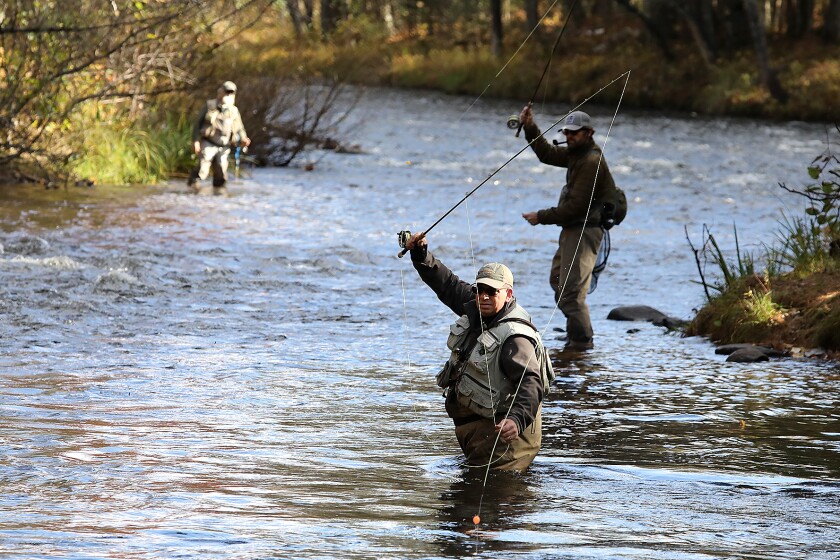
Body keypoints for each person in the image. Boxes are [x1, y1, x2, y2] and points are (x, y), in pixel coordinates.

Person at [405, 232, 554, 472]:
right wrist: (421, 254)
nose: (483, 296)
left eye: (491, 292)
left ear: (508, 295)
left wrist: (516, 420)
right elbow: (448, 284)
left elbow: (531, 382)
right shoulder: (479, 307)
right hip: (480, 434)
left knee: (499, 502)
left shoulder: (515, 337)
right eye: (479, 289)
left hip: (507, 440)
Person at [518, 107, 616, 352]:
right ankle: (575, 337)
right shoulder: (576, 154)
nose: (569, 137)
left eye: (574, 133)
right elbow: (547, 154)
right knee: (558, 280)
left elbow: (576, 207)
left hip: (585, 231)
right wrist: (530, 126)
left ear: (589, 132)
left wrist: (540, 217)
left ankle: (581, 344)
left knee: (571, 294)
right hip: (573, 230)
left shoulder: (591, 161)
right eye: (567, 132)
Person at [187, 81, 250, 196]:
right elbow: (197, 124)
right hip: (208, 143)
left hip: (224, 146)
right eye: (226, 92)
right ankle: (192, 189)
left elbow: (240, 128)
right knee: (203, 167)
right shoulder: (210, 105)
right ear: (220, 92)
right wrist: (196, 141)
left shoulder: (234, 110)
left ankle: (219, 196)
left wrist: (244, 138)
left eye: (231, 93)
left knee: (221, 171)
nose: (228, 95)